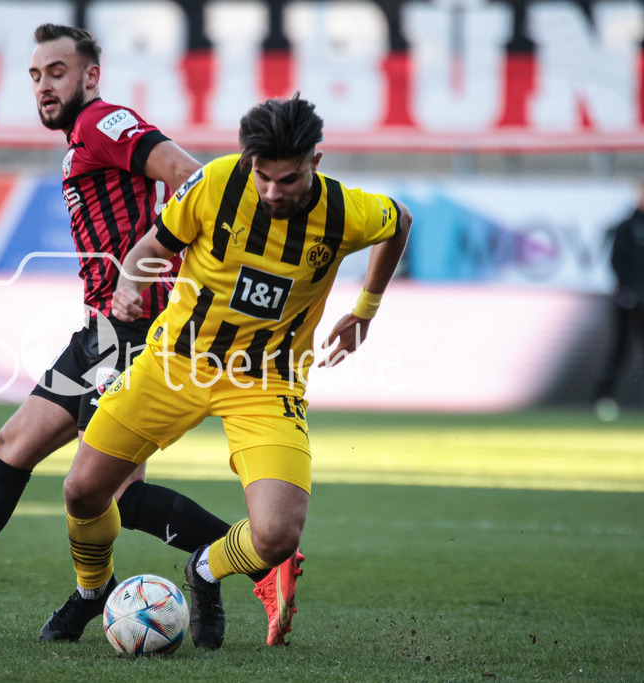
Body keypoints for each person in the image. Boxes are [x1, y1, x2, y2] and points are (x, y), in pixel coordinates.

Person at [0, 24, 304, 646]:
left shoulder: (102, 123)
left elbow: (194, 176)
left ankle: (259, 561)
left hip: (136, 330)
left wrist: (156, 266)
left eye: (56, 72)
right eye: (35, 76)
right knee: (12, 447)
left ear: (91, 76)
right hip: (99, 332)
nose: (43, 86)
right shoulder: (81, 140)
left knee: (114, 493)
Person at [48, 94, 412, 650]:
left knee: (277, 536)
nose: (271, 192)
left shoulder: (346, 211)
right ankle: (94, 588)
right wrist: (128, 284)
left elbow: (400, 221)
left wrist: (365, 310)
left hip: (267, 381)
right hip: (176, 363)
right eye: (262, 176)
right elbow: (152, 245)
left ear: (316, 159)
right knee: (82, 492)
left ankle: (205, 569)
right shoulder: (216, 183)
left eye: (287, 179)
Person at [594, 183, 644, 422]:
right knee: (621, 350)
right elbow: (617, 261)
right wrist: (629, 289)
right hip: (630, 300)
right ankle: (603, 398)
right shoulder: (627, 227)